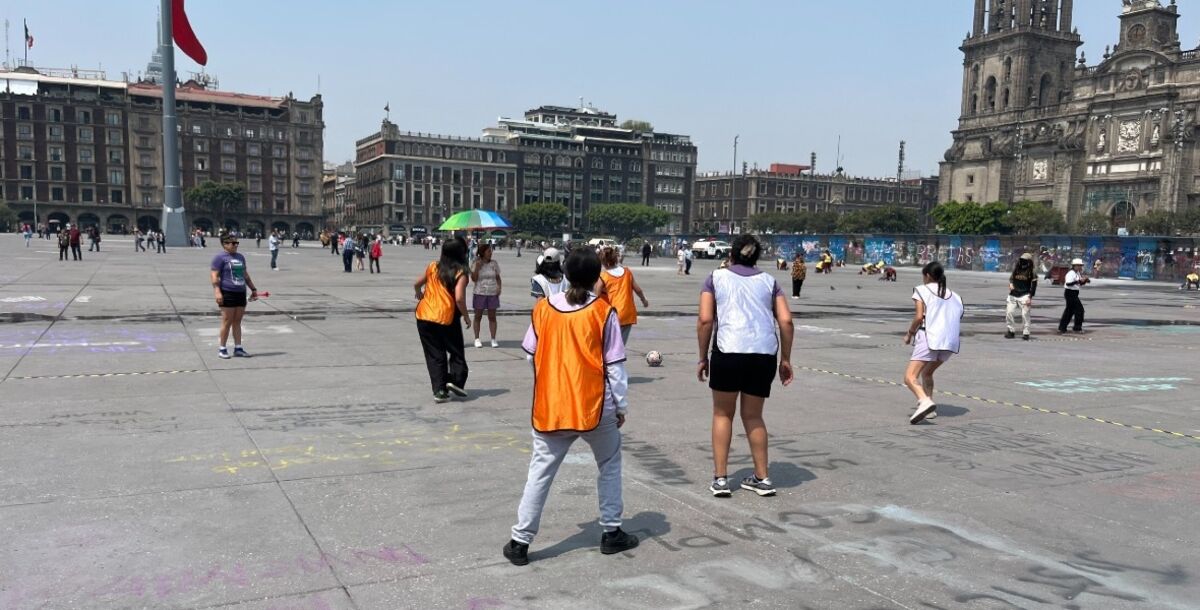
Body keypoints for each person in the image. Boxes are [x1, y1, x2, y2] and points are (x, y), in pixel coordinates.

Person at [503, 248, 637, 566]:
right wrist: (621, 405)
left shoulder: (543, 309)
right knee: (609, 464)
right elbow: (615, 366)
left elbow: (530, 354)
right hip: (595, 405)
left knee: (540, 472)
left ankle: (520, 541)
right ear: (596, 278)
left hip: (551, 405)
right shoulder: (603, 312)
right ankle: (611, 531)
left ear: (564, 274)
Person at [697, 234, 794, 498]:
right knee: (753, 416)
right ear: (757, 256)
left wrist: (702, 356)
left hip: (728, 351)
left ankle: (720, 479)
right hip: (763, 354)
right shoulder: (770, 281)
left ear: (732, 254)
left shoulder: (715, 278)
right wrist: (785, 358)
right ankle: (763, 478)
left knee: (722, 414)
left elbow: (706, 320)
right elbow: (786, 322)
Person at [903, 262, 964, 424]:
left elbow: (918, 317)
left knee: (909, 377)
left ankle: (924, 401)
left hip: (930, 338)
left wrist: (910, 334)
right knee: (927, 373)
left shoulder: (922, 290)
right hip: (950, 342)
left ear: (927, 276)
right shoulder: (955, 296)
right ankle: (929, 410)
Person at [414, 237, 472, 403]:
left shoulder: (433, 267)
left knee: (435, 354)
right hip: (446, 317)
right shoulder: (461, 273)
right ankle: (455, 381)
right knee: (456, 351)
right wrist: (467, 317)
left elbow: (417, 283)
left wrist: (419, 292)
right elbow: (460, 298)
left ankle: (439, 391)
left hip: (424, 316)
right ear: (461, 253)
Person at [210, 234, 259, 359]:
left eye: (237, 243)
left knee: (237, 321)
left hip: (240, 292)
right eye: (233, 243)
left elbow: (245, 275)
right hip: (227, 292)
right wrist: (217, 291)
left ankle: (238, 348)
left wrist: (253, 289)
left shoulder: (240, 257)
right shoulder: (219, 258)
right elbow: (214, 276)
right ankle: (222, 348)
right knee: (227, 321)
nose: (235, 245)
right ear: (224, 244)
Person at [595, 246, 649, 346]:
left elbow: (596, 296)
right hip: (628, 313)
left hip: (613, 315)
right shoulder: (627, 272)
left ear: (603, 262)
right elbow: (638, 290)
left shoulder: (604, 276)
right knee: (621, 344)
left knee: (610, 345)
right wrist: (644, 300)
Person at [471, 243, 502, 348]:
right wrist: (477, 268)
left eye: (491, 251)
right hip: (480, 292)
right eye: (489, 251)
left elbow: (498, 277)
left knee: (492, 317)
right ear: (483, 252)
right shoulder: (476, 262)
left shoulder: (494, 263)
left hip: (492, 293)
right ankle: (477, 338)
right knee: (478, 316)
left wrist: (499, 287)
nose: (491, 253)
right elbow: (473, 279)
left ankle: (493, 339)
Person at [1006, 253, 1038, 340]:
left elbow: (1034, 286)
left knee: (1025, 315)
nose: (1022, 262)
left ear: (1029, 262)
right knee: (1009, 313)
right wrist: (1011, 284)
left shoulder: (1032, 272)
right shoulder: (1016, 269)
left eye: (1025, 260)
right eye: (1021, 260)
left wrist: (1030, 297)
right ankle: (1011, 331)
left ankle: (1026, 333)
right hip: (1013, 294)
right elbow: (1011, 279)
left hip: (1025, 295)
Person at [1058, 258, 1089, 334]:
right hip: (1070, 293)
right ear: (1074, 266)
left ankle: (1062, 327)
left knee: (1070, 311)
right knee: (1079, 310)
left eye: (1080, 266)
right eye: (1078, 266)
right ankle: (1077, 328)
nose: (1080, 267)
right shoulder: (1071, 273)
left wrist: (1085, 281)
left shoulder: (1077, 273)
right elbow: (1068, 283)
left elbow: (1079, 283)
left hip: (1075, 293)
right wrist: (1078, 281)